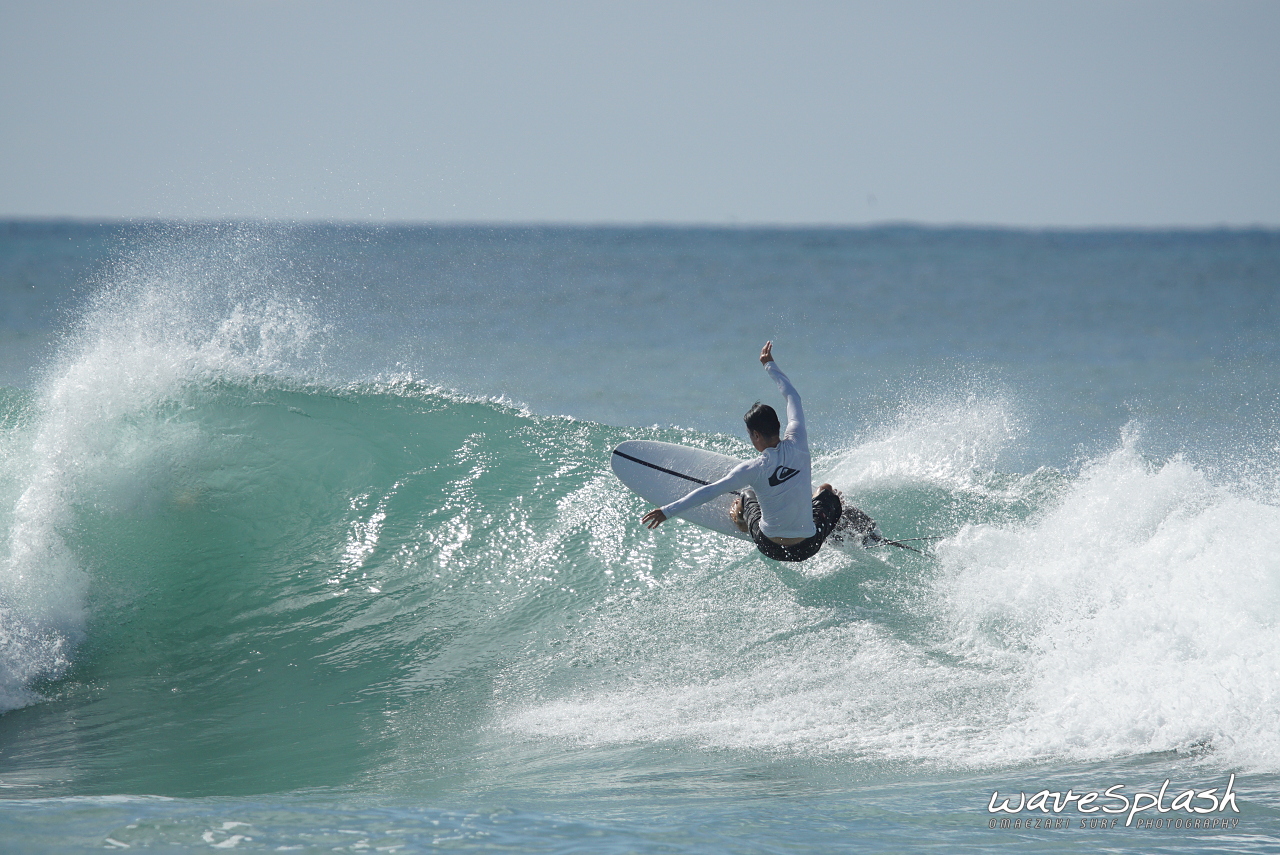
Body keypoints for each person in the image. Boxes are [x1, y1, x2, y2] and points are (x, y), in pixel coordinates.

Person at [641, 341, 843, 562]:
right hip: (809, 547)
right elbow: (793, 397)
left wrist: (667, 511)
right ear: (778, 426)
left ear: (756, 434)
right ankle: (828, 518)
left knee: (746, 496)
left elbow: (711, 491)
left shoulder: (752, 469)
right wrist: (769, 365)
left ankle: (739, 519)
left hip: (770, 546)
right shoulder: (798, 441)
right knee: (827, 491)